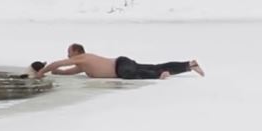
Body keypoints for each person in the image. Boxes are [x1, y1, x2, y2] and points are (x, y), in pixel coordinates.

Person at [35, 43, 205, 80]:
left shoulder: (83, 57)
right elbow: (64, 70)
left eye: (69, 53)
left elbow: (58, 63)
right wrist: (54, 73)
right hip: (122, 63)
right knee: (155, 65)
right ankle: (189, 65)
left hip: (120, 65)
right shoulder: (83, 65)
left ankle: (159, 75)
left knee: (129, 74)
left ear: (77, 52)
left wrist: (41, 72)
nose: (68, 56)